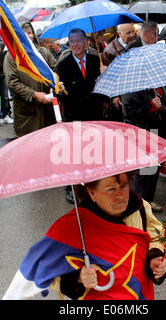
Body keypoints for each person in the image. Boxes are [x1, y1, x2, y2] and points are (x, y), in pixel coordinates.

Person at [3, 172, 166, 300]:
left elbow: (156, 238)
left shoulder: (140, 207)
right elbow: (43, 270)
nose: (120, 195)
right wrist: (78, 277)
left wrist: (155, 258)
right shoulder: (72, 227)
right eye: (111, 189)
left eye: (124, 185)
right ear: (91, 193)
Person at [121, 21, 166, 213]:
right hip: (143, 127)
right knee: (144, 170)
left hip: (159, 126)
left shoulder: (161, 79)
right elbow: (129, 109)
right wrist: (150, 106)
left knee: (154, 167)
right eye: (152, 34)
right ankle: (139, 204)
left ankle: (149, 200)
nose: (156, 38)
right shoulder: (134, 74)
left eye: (157, 34)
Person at [55, 28, 105, 203]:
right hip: (74, 116)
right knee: (75, 154)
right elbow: (57, 93)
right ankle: (71, 187)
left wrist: (104, 74)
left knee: (93, 153)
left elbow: (103, 91)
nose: (75, 45)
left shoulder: (95, 60)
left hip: (94, 115)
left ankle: (93, 185)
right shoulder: (62, 65)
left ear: (86, 43)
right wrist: (60, 91)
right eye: (72, 41)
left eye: (78, 41)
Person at [3, 21, 57, 137]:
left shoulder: (43, 53)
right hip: (27, 114)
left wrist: (55, 86)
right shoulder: (12, 57)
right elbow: (12, 83)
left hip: (47, 111)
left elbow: (56, 70)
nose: (27, 36)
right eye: (24, 33)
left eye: (29, 32)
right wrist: (34, 94)